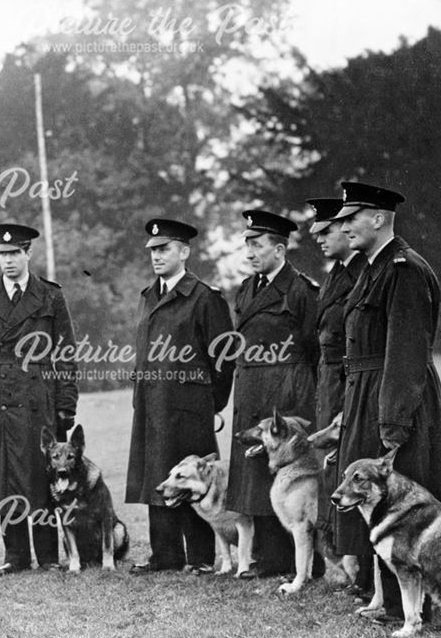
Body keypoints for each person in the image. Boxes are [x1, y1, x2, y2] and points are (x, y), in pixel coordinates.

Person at [332, 181, 441, 622]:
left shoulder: (403, 270)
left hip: (398, 400)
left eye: (350, 217)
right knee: (382, 507)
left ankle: (416, 607)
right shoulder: (374, 268)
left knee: (405, 504)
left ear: (378, 218)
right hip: (370, 395)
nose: (344, 227)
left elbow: (406, 354)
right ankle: (394, 603)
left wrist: (393, 424)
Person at [0, 223, 78, 575]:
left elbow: (67, 353)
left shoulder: (50, 296)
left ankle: (48, 556)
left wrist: (66, 402)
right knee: (5, 473)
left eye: (14, 254)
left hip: (39, 392)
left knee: (41, 474)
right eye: (2, 255)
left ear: (28, 254)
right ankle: (15, 555)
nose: (8, 261)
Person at [125, 218, 234, 575]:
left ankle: (200, 556)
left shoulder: (204, 297)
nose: (156, 256)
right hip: (152, 403)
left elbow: (224, 356)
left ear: (184, 252)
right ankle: (165, 554)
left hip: (189, 406)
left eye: (164, 249)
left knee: (193, 477)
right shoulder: (148, 296)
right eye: (153, 250)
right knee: (157, 475)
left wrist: (210, 403)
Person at [228, 209, 320, 579]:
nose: (249, 253)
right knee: (254, 473)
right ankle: (269, 558)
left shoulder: (301, 290)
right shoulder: (247, 288)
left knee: (290, 472)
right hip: (251, 390)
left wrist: (297, 390)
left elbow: (314, 346)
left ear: (280, 249)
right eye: (247, 245)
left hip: (287, 391)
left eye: (257, 245)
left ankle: (296, 562)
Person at [305, 197, 369, 589]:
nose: (322, 239)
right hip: (329, 382)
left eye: (327, 231)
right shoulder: (336, 273)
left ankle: (361, 569)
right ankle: (350, 565)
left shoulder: (362, 272)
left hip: (350, 384)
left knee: (350, 470)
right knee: (334, 470)